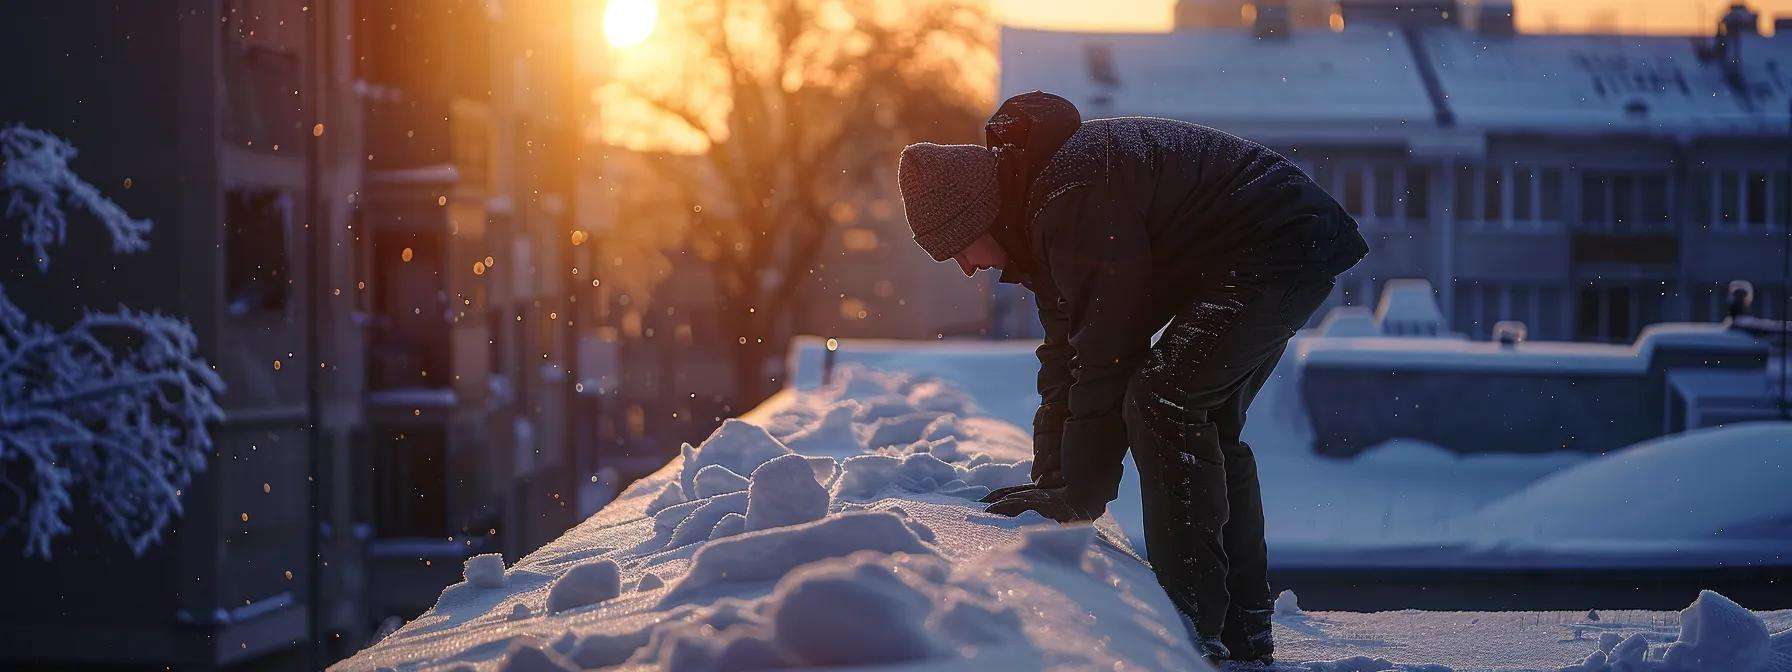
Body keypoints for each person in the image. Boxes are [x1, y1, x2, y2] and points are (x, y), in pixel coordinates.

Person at [896, 91, 1367, 664]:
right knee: (1201, 418)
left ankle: (1190, 627)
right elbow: (1067, 356)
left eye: (957, 250)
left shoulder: (1068, 201)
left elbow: (1109, 351)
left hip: (1280, 246)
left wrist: (1080, 492)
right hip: (1274, 245)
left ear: (979, 214)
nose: (967, 267)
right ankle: (1240, 631)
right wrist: (1054, 479)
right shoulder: (1041, 209)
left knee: (1164, 401)